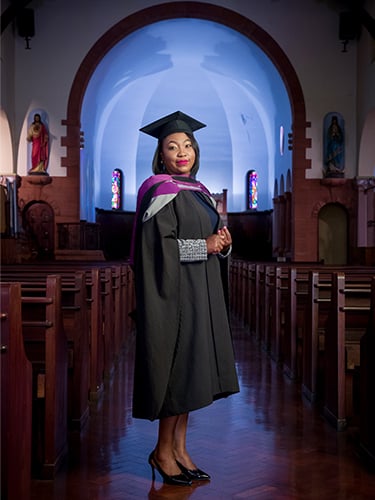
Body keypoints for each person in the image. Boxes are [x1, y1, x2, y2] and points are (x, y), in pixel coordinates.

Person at [130, 111, 240, 486]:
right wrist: (205, 244)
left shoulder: (199, 191)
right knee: (176, 372)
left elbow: (209, 241)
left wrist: (221, 244)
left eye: (188, 145)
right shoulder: (158, 191)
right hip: (173, 297)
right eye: (173, 146)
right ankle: (162, 451)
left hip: (199, 292)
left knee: (191, 370)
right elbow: (157, 251)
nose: (182, 152)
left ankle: (180, 449)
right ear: (161, 155)